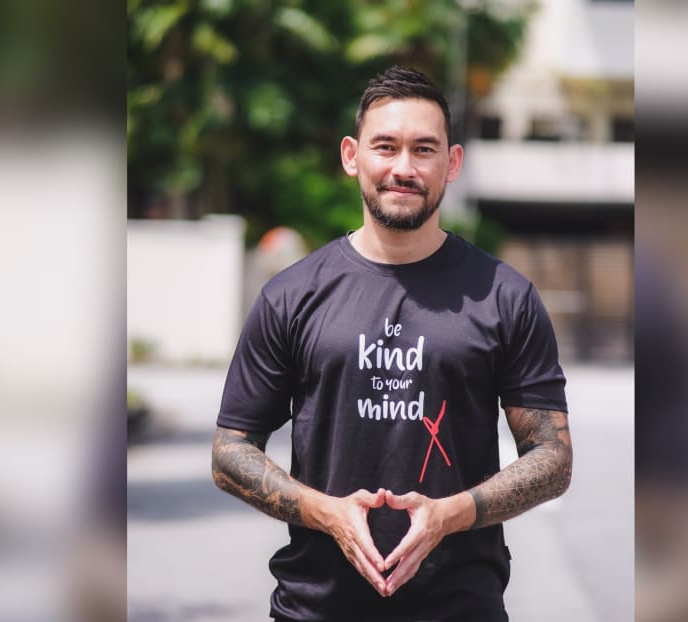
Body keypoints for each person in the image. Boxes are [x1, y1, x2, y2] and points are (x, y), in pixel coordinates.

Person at [212, 66, 572, 621]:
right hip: (316, 607)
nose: (404, 168)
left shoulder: (504, 296)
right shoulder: (290, 295)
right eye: (387, 146)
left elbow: (552, 457)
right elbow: (229, 451)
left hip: (460, 608)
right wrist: (325, 511)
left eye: (424, 149)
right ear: (352, 156)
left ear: (451, 163)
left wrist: (451, 513)